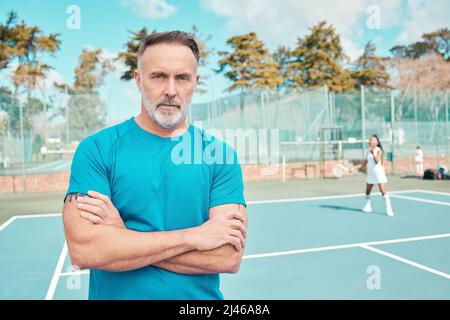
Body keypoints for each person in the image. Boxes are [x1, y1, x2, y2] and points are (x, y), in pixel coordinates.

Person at [62, 31, 247, 300]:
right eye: (158, 76)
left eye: (181, 78)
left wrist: (122, 237)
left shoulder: (220, 156)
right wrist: (194, 237)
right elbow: (86, 250)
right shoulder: (97, 149)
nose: (171, 90)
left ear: (195, 82)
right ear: (139, 80)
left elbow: (227, 256)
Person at [353, 135, 394, 217]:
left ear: (377, 142)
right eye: (370, 140)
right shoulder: (368, 152)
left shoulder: (379, 150)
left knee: (382, 190)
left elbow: (376, 161)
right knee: (367, 191)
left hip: (379, 174)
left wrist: (373, 153)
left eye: (372, 140)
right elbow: (364, 163)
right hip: (371, 175)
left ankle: (389, 208)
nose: (370, 141)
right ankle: (368, 206)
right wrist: (354, 168)